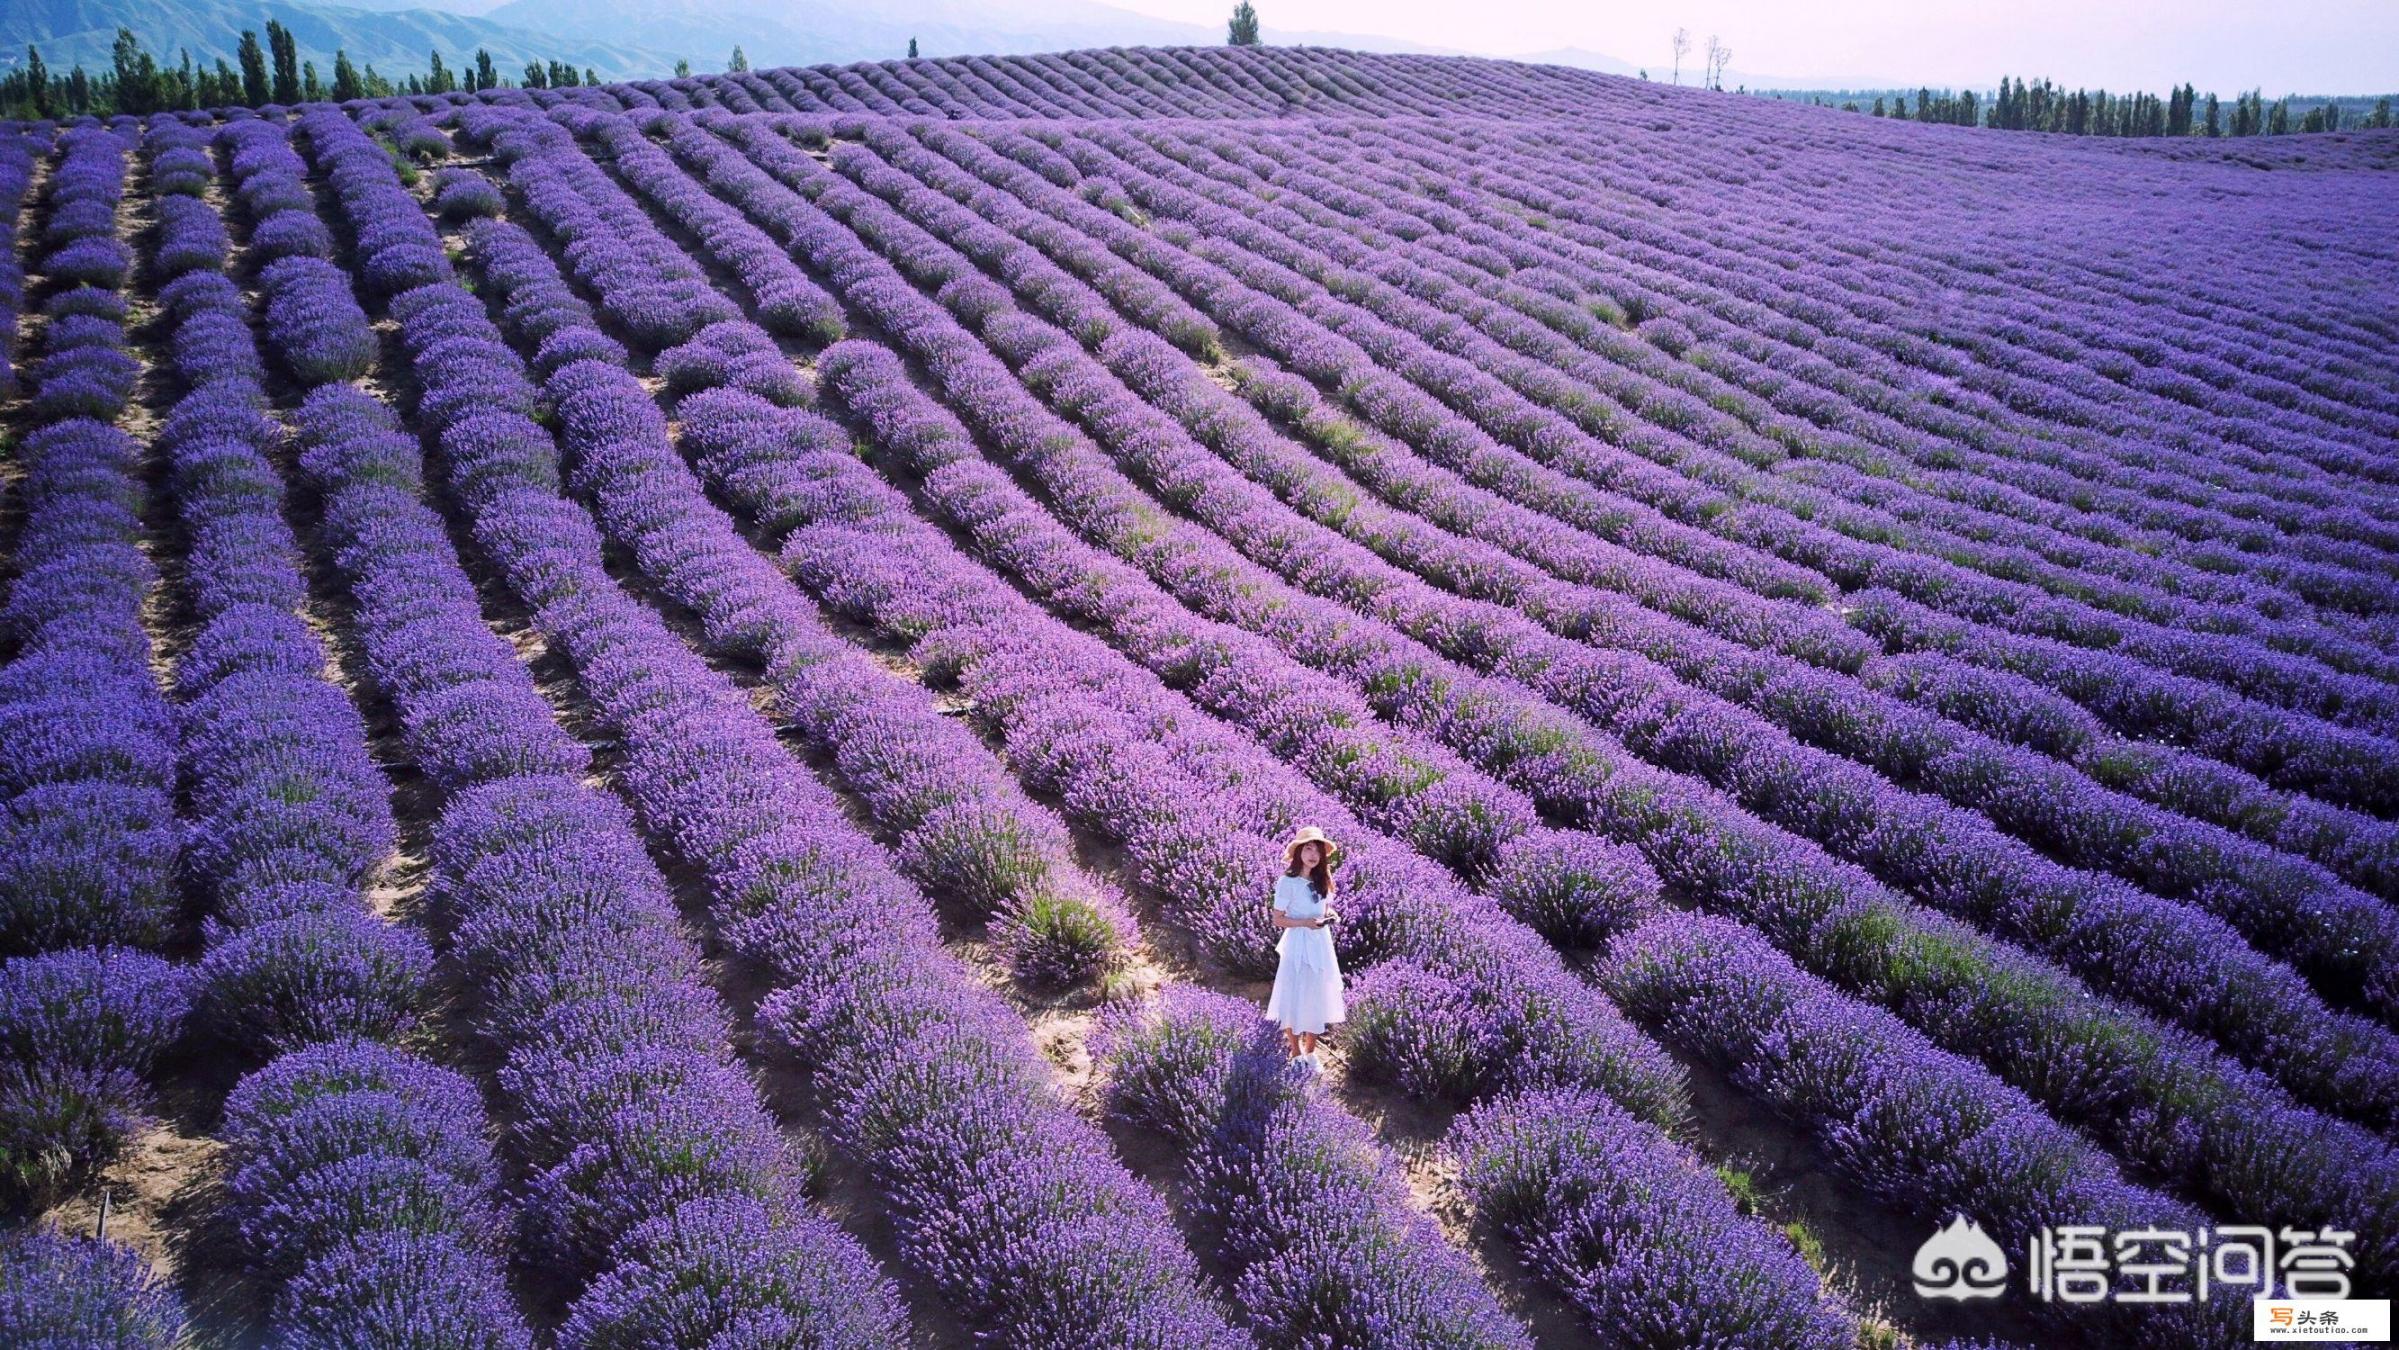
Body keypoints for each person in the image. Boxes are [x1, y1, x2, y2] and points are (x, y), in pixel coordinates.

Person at [1265, 825, 1346, 1069]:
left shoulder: (1322, 880)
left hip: (1321, 944)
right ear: (1299, 851)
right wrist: (1305, 923)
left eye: (1317, 850)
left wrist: (1329, 914)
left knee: (1316, 996)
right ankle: (1296, 1053)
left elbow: (1321, 908)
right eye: (1308, 848)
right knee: (1293, 996)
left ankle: (1311, 1053)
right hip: (1298, 943)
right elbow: (1278, 919)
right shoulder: (1287, 882)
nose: (1313, 854)